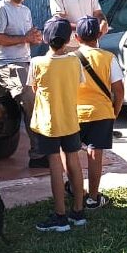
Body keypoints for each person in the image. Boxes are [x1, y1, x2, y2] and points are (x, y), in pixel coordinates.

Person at [28, 17, 87, 232]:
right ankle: (78, 211)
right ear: (69, 39)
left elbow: (34, 88)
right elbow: (79, 83)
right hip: (70, 119)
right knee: (74, 162)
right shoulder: (75, 61)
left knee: (55, 165)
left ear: (45, 39)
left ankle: (60, 215)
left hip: (48, 122)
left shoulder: (37, 63)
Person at [0, 0, 44, 168]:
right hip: (6, 64)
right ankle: (39, 154)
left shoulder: (25, 11)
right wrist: (25, 38)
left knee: (45, 97)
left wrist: (34, 38)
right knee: (30, 99)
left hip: (26, 62)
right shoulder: (0, 9)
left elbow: (26, 38)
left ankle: (48, 147)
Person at [74, 16, 124, 210]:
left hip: (75, 114)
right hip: (102, 113)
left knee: (71, 155)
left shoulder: (71, 59)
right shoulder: (108, 58)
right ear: (99, 35)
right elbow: (119, 90)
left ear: (76, 38)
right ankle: (93, 198)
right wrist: (115, 111)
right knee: (95, 155)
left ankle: (77, 191)